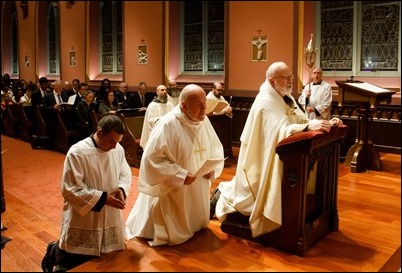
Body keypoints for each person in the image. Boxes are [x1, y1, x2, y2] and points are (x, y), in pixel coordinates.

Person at [210, 61, 343, 238]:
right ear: (272, 81)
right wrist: (309, 126)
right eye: (285, 78)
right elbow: (277, 130)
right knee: (245, 194)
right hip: (261, 158)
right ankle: (221, 196)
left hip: (283, 155)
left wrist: (323, 124)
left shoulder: (285, 96)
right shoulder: (265, 101)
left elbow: (297, 119)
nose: (290, 81)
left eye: (291, 77)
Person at [125, 84, 225, 246]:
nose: (204, 109)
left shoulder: (203, 120)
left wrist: (211, 169)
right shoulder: (168, 124)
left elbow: (214, 147)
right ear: (184, 105)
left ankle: (195, 224)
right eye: (198, 105)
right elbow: (152, 159)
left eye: (205, 103)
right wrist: (179, 174)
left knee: (197, 225)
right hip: (174, 186)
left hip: (198, 182)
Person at [41, 114, 132, 272]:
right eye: (111, 141)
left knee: (104, 257)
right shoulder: (78, 152)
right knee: (74, 256)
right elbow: (70, 188)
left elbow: (125, 173)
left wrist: (121, 189)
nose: (115, 147)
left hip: (109, 213)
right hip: (84, 216)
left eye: (118, 142)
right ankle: (54, 252)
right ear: (100, 132)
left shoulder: (117, 149)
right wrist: (103, 199)